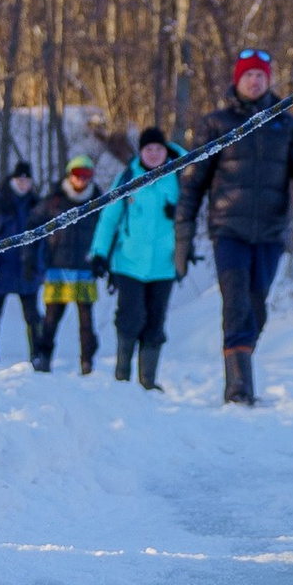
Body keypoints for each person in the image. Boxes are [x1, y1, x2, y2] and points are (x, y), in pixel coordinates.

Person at [180, 46, 293, 406]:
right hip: (228, 230)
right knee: (236, 302)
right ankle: (239, 388)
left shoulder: (286, 125)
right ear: (237, 80)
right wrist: (184, 233)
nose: (255, 81)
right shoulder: (217, 124)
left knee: (256, 307)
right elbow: (193, 183)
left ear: (269, 80)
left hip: (271, 232)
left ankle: (239, 366)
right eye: (248, 75)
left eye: (260, 75)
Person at [92, 127, 183, 389]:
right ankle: (122, 377)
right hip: (129, 263)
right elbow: (109, 218)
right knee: (130, 318)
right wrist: (99, 253)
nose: (154, 154)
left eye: (158, 149)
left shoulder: (179, 176)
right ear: (140, 152)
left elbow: (193, 212)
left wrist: (178, 212)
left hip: (164, 265)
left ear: (166, 151)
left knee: (155, 321)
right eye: (148, 149)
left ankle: (148, 381)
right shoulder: (127, 178)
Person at [0, 157, 45, 365]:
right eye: (20, 180)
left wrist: (41, 265)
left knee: (33, 316)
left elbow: (47, 240)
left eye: (27, 180)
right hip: (0, 269)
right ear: (13, 180)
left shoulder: (38, 206)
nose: (23, 184)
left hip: (28, 270)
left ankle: (37, 355)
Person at [33, 158, 103, 374]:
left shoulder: (99, 201)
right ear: (69, 174)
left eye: (86, 174)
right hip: (57, 268)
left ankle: (87, 362)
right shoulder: (54, 201)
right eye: (77, 173)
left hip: (85, 268)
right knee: (51, 318)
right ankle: (43, 358)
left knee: (86, 321)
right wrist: (34, 259)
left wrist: (102, 260)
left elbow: (107, 230)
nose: (81, 179)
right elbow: (33, 225)